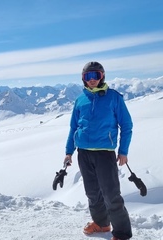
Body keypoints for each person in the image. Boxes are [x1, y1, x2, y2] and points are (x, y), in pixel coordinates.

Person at [64, 61, 133, 240]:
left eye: (96, 75)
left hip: (104, 153)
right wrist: (69, 151)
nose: (92, 80)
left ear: (102, 76)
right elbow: (73, 127)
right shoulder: (81, 99)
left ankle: (122, 234)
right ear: (83, 79)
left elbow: (126, 125)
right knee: (92, 193)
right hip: (83, 153)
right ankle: (101, 223)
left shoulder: (114, 97)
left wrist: (123, 151)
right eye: (88, 76)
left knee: (111, 195)